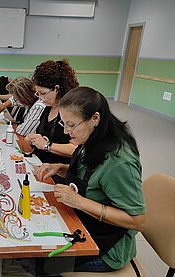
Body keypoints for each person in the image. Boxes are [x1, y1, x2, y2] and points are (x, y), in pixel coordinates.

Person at [34, 86, 146, 273]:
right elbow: (94, 176)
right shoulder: (93, 138)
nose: (68, 131)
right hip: (83, 224)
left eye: (72, 125)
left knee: (44, 263)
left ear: (95, 118)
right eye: (64, 124)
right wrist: (61, 169)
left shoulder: (120, 162)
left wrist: (79, 202)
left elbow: (138, 221)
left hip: (107, 250)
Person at [25, 60, 79, 168]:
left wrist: (47, 146)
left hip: (57, 169)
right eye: (38, 93)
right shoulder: (48, 108)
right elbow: (43, 134)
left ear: (57, 89)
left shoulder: (71, 112)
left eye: (43, 93)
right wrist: (33, 139)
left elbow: (76, 149)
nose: (40, 98)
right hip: (39, 162)